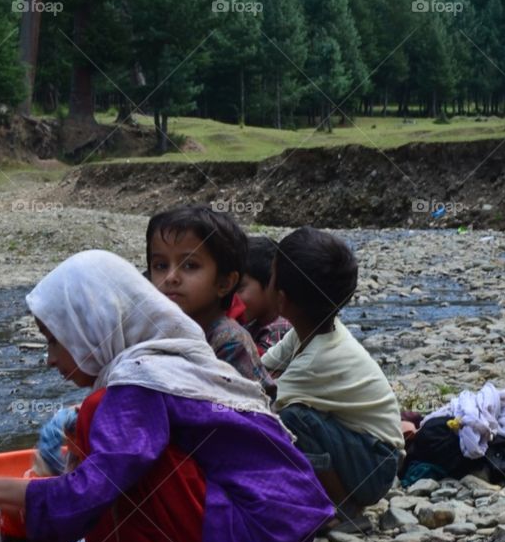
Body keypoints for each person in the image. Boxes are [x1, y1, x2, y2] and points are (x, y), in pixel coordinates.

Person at [0, 250, 333, 542]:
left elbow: (89, 494)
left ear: (93, 325)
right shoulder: (170, 361)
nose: (50, 358)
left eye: (55, 339)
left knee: (95, 420)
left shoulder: (138, 382)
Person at [263, 226, 403, 520]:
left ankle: (343, 506)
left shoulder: (318, 358)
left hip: (375, 465)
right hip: (365, 449)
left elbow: (263, 402)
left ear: (283, 299)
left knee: (291, 418)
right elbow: (262, 369)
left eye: (270, 276)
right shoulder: (312, 329)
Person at [146, 204, 272, 392]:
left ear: (224, 283)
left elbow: (242, 412)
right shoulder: (159, 328)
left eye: (190, 266)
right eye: (160, 265)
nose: (170, 277)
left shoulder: (228, 342)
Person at [238, 235, 292, 355]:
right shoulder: (253, 323)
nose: (233, 299)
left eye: (239, 288)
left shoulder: (279, 330)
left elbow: (257, 369)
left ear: (271, 284)